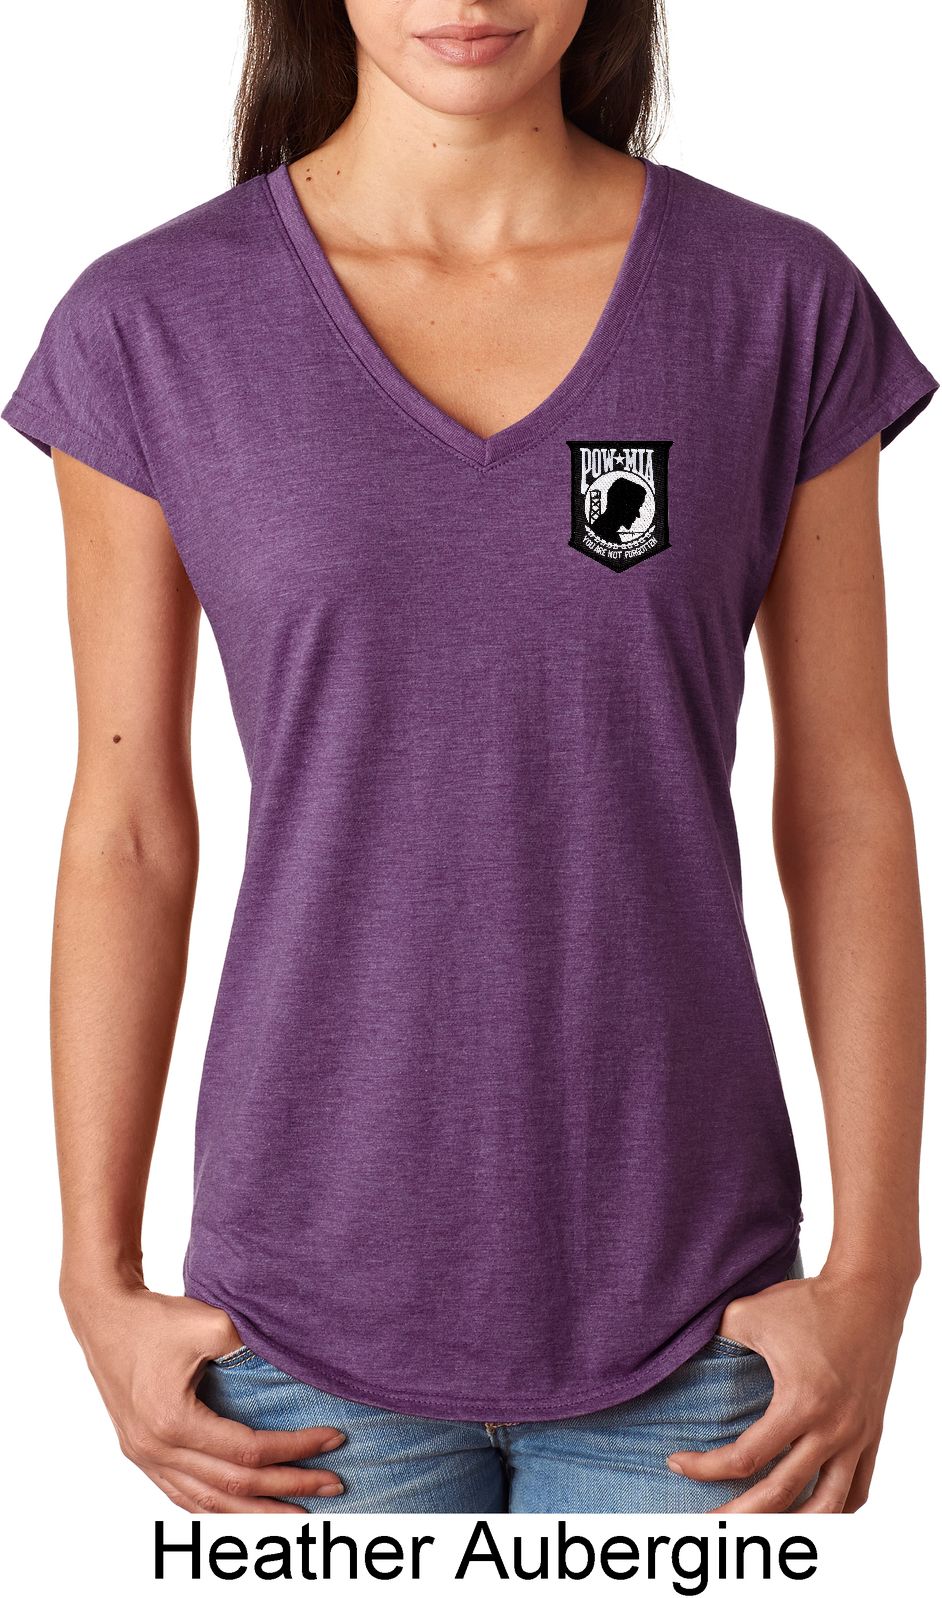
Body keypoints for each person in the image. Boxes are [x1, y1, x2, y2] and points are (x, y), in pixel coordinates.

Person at [3, 0, 936, 1517]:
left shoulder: (774, 302)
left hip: (704, 1333)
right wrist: (92, 1278)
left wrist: (878, 1269)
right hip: (289, 1340)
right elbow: (128, 826)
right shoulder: (151, 323)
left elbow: (845, 804)